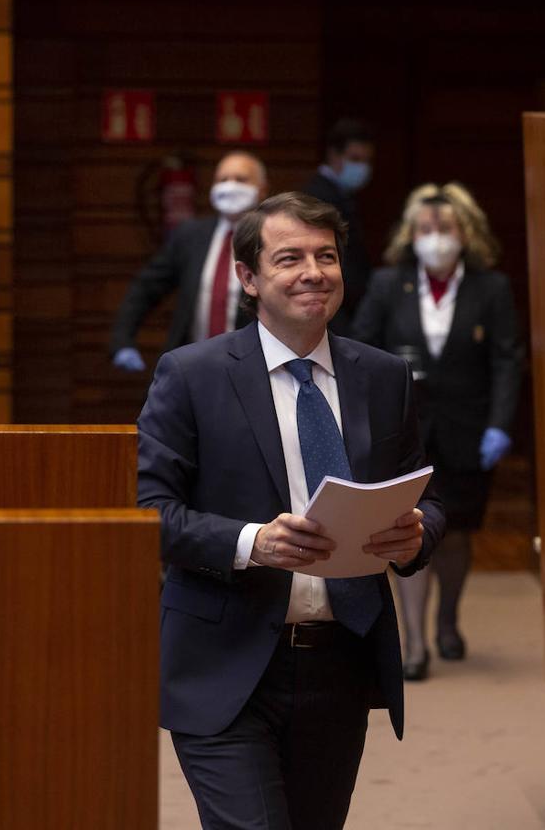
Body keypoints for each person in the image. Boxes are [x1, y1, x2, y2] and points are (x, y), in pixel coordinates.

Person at [139, 191, 445, 828]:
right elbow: (149, 512)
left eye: (326, 256)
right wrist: (252, 542)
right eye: (289, 258)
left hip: (340, 660)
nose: (314, 272)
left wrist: (417, 537)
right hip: (225, 662)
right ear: (248, 278)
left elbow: (428, 496)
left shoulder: (384, 377)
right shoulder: (191, 374)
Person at [351, 182, 524, 681]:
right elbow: (361, 349)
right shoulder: (389, 283)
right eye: (425, 229)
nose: (435, 238)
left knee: (457, 532)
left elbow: (507, 361)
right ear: (411, 235)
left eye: (444, 229)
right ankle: (416, 642)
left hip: (470, 430)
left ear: (465, 233)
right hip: (403, 432)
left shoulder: (490, 289)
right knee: (408, 529)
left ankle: (448, 621)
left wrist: (499, 425)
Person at [109, 151, 268, 372]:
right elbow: (146, 288)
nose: (230, 186)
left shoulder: (272, 240)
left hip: (252, 369)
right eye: (222, 180)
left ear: (261, 189)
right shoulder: (190, 236)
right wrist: (122, 341)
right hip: (191, 368)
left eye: (241, 180)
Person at [302, 118, 375, 334]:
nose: (361, 167)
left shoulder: (343, 195)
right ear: (334, 155)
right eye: (354, 158)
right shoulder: (319, 197)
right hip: (334, 309)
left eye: (366, 160)